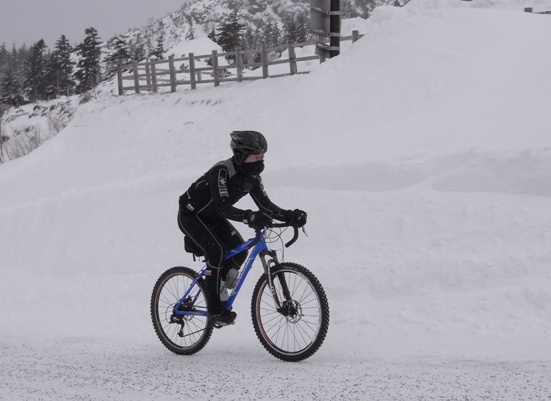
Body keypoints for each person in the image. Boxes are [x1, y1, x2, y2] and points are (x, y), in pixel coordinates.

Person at [177, 130, 307, 324]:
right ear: (241, 155)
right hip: (192, 215)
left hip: (214, 217)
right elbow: (222, 207)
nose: (260, 161)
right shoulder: (221, 171)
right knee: (216, 252)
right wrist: (250, 216)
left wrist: (290, 215)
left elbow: (266, 206)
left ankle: (217, 283)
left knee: (239, 253)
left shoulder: (252, 178)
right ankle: (214, 309)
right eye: (256, 157)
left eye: (262, 156)